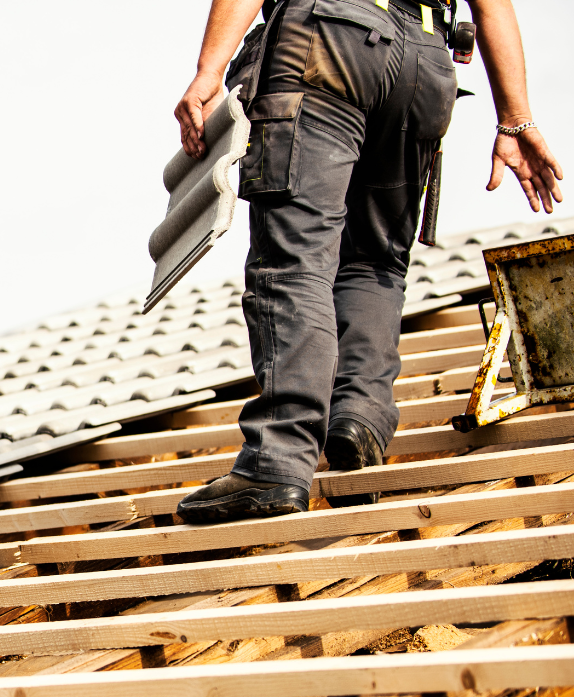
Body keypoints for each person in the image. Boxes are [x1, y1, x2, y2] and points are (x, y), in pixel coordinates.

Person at [173, 0, 564, 523]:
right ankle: (359, 419)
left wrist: (209, 71)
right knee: (377, 261)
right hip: (424, 60)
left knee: (295, 260)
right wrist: (515, 120)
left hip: (326, 40)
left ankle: (276, 461)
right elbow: (493, 6)